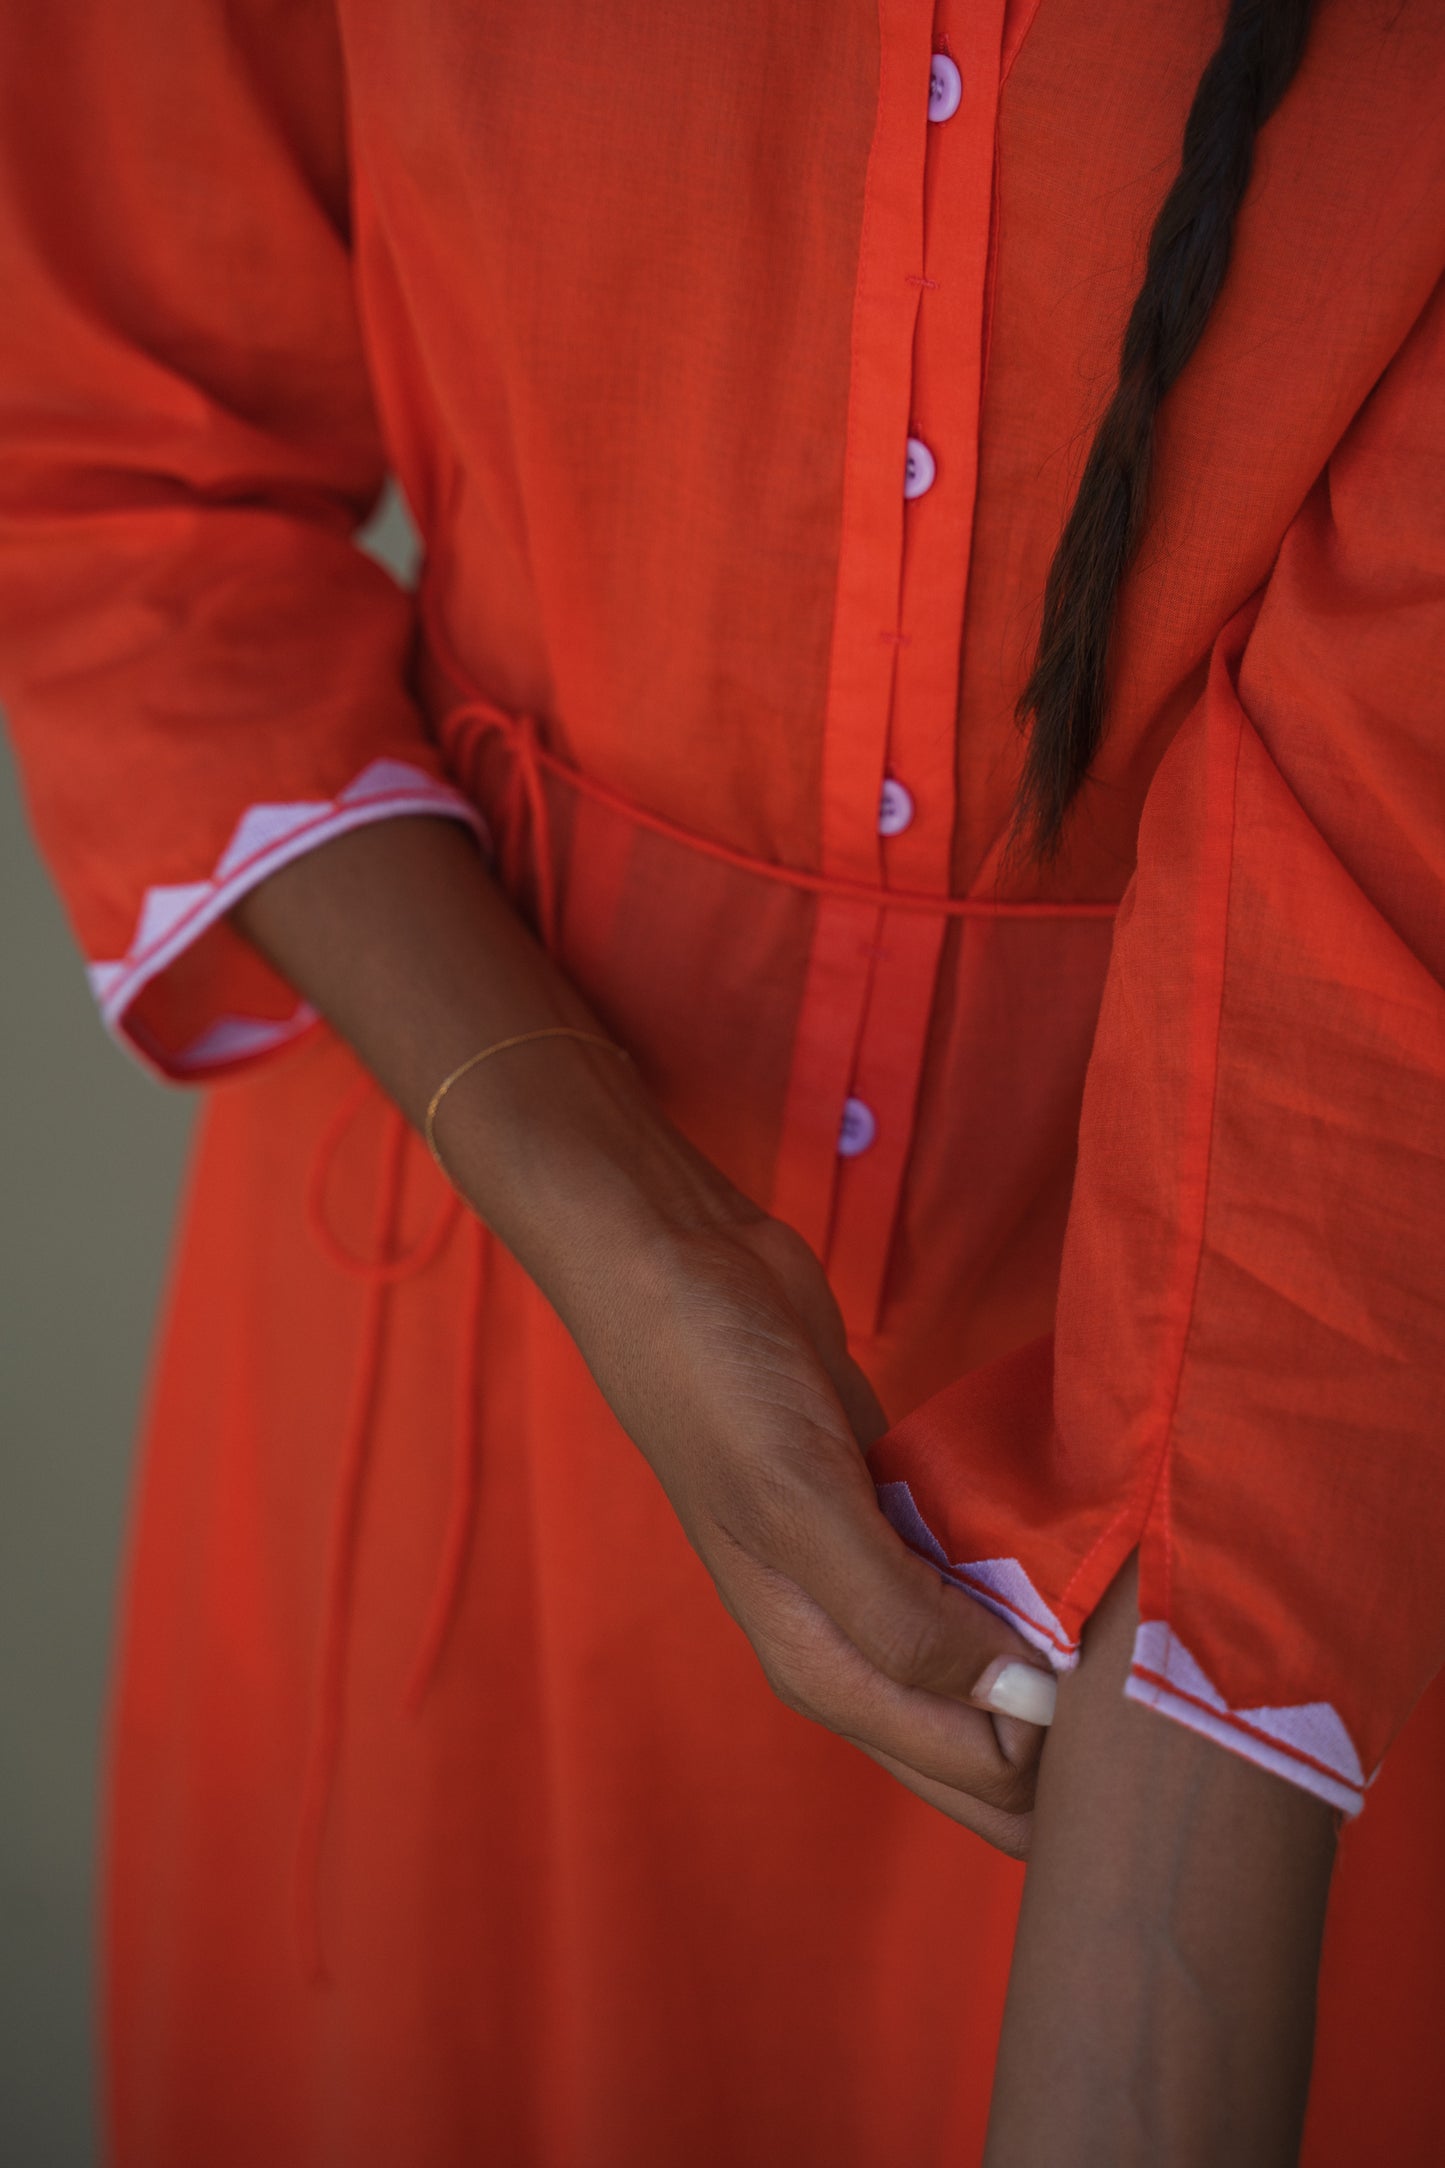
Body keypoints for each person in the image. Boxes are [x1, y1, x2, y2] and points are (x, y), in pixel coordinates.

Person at [2, 1, 1442, 2161]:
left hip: (1280, 1510)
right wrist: (626, 1227)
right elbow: (126, 468)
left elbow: (1385, 876)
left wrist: (1161, 1940)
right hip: (465, 1344)